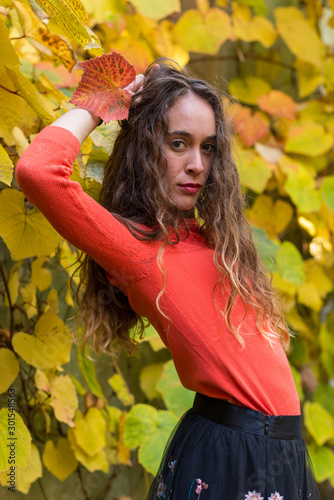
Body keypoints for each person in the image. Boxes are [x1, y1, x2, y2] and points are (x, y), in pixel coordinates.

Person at [15, 60, 321, 500]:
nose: (197, 164)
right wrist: (103, 102)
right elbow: (38, 171)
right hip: (232, 456)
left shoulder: (217, 240)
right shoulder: (137, 250)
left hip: (282, 454)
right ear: (145, 149)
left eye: (208, 147)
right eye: (179, 143)